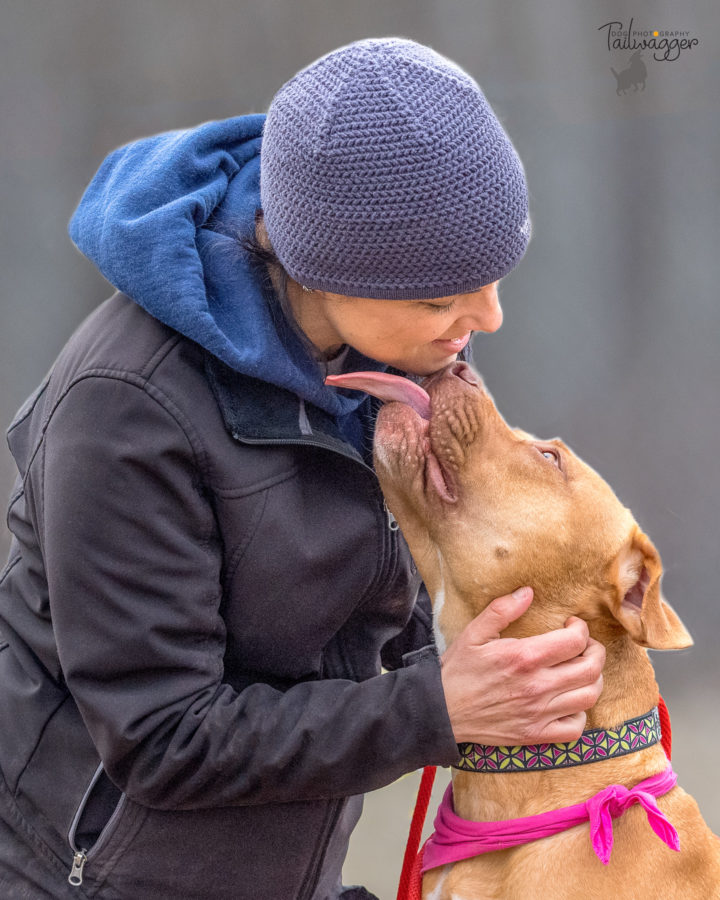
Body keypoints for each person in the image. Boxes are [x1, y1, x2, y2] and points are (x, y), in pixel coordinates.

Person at [0, 37, 604, 900]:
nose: (487, 318)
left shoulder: (396, 359)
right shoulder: (127, 404)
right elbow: (162, 739)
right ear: (325, 267)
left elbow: (369, 621)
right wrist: (440, 709)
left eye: (491, 278)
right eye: (443, 295)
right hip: (95, 880)